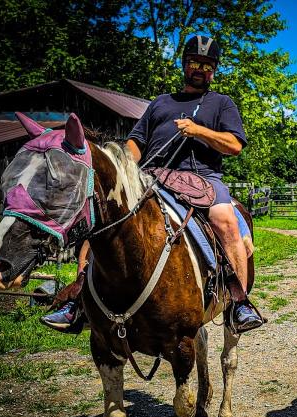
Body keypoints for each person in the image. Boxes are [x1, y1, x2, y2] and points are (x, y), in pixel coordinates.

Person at [42, 34, 263, 333]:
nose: (200, 69)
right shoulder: (160, 103)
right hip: (151, 176)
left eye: (207, 65)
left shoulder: (222, 104)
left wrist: (198, 131)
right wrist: (122, 167)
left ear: (214, 70)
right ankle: (78, 301)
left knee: (226, 221)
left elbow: (234, 145)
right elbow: (137, 142)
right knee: (102, 221)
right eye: (195, 63)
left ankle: (239, 303)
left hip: (203, 181)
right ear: (184, 65)